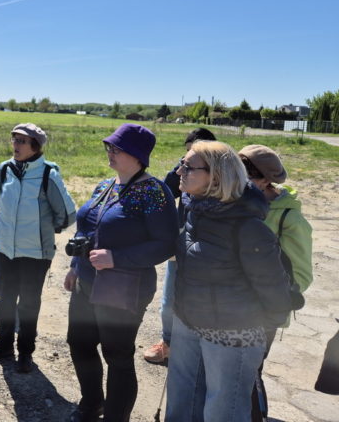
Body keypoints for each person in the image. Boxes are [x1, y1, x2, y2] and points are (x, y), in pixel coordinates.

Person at [165, 141, 292, 422]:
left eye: (188, 167)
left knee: (223, 412)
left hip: (232, 335)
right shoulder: (195, 211)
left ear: (217, 176)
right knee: (182, 404)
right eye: (181, 163)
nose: (179, 172)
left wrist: (256, 327)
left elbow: (273, 289)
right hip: (188, 322)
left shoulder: (249, 228)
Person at [64, 123, 177, 421]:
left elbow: (166, 244)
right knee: (79, 343)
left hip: (124, 289)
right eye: (109, 147)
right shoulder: (106, 185)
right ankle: (92, 404)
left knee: (117, 356)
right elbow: (87, 226)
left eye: (117, 148)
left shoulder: (154, 192)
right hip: (87, 282)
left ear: (137, 155)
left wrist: (117, 258)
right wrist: (75, 266)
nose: (110, 152)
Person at [0, 123, 77, 374]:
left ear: (35, 146)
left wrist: (43, 231)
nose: (15, 144)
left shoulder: (48, 175)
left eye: (22, 141)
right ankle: (3, 346)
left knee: (29, 304)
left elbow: (67, 214)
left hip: (36, 253)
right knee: (5, 300)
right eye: (14, 139)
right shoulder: (4, 169)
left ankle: (25, 353)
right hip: (5, 249)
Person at [237, 144, 313, 420]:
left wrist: (270, 297)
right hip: (231, 307)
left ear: (264, 180)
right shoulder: (238, 203)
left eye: (244, 176)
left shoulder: (289, 218)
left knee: (250, 374)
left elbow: (302, 275)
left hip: (263, 314)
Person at [144, 127, 216, 365]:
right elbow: (165, 192)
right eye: (186, 154)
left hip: (209, 255)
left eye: (195, 154)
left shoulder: (225, 183)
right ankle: (168, 343)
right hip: (181, 246)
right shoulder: (183, 172)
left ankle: (198, 349)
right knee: (168, 304)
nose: (186, 161)